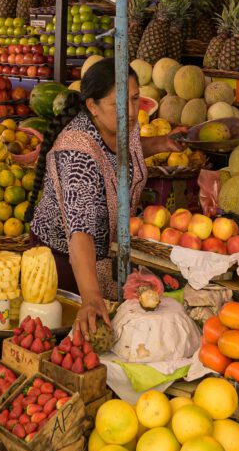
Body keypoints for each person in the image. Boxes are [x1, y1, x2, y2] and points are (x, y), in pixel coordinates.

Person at [27, 58, 182, 338]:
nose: (132, 111)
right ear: (92, 107)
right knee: (72, 336)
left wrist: (161, 143)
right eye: (119, 103)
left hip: (100, 253)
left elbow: (124, 151)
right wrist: (89, 297)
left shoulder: (121, 124)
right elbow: (80, 234)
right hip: (61, 260)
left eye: (135, 99)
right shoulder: (77, 155)